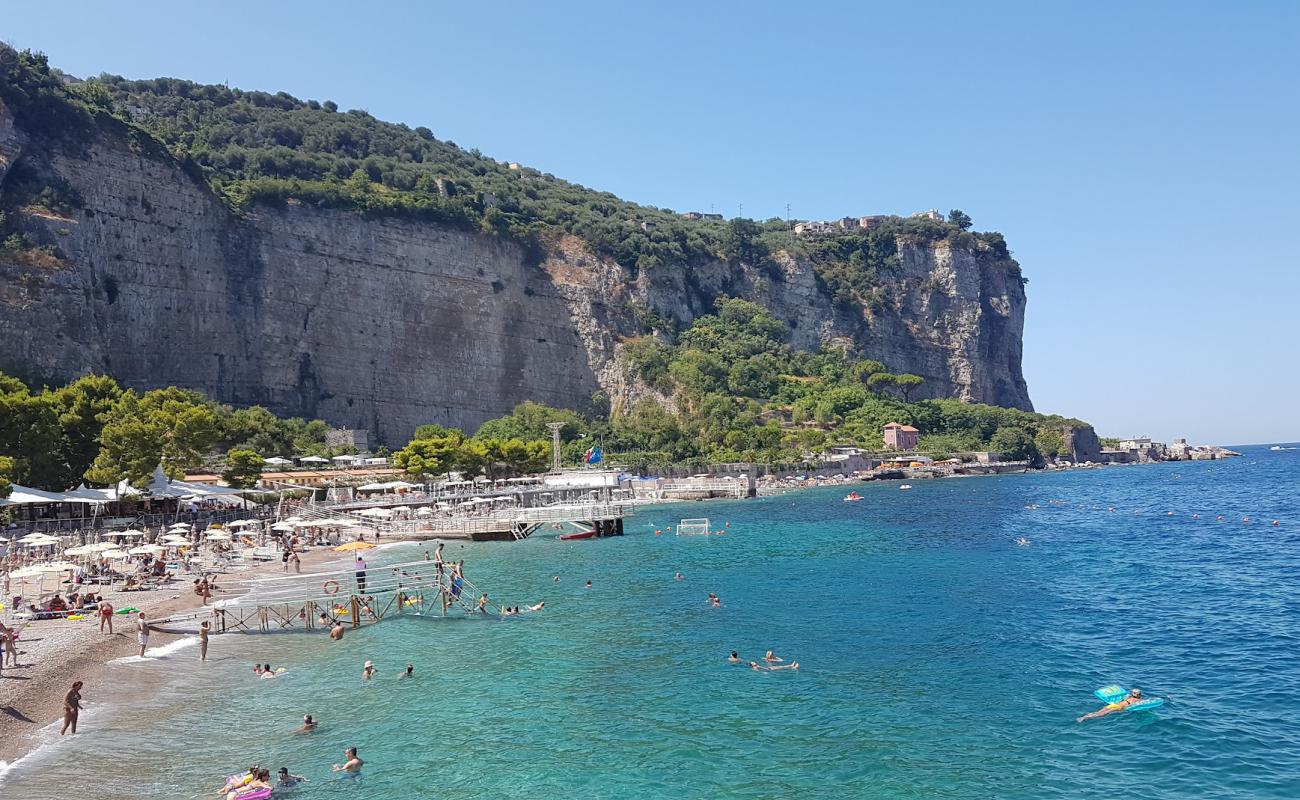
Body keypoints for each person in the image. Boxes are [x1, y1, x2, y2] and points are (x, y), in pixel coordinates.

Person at [1077, 688, 1146, 722]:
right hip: (1118, 707)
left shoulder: (1128, 697)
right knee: (1102, 714)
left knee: (1099, 711)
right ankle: (1084, 718)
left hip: (1114, 704)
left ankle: (1086, 715)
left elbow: (1121, 698)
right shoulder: (1138, 700)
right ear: (1139, 694)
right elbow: (1142, 704)